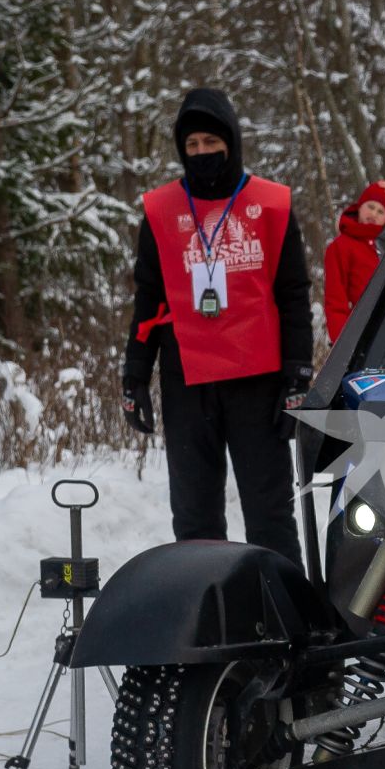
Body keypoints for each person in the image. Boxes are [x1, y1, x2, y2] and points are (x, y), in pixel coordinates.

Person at [120, 88, 313, 564]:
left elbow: (293, 294)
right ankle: (208, 615)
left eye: (211, 140)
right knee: (194, 519)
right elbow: (148, 297)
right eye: (192, 145)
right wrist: (134, 375)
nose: (203, 152)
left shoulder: (270, 205)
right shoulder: (162, 210)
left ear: (232, 140)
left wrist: (298, 373)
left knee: (270, 513)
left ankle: (291, 618)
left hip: (259, 381)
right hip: (187, 380)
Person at [322, 180, 385, 341]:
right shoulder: (340, 247)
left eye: (381, 212)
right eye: (371, 207)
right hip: (361, 334)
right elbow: (335, 302)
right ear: (360, 206)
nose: (373, 214)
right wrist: (342, 344)